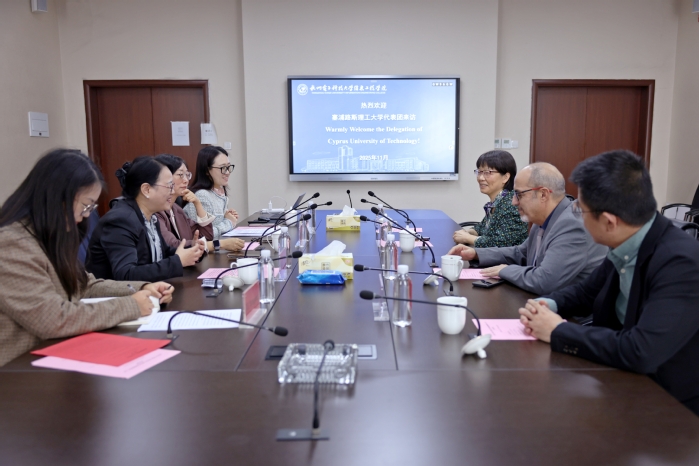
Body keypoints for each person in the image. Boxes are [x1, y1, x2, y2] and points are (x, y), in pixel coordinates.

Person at [519, 150, 699, 415]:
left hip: (668, 404)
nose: (576, 215)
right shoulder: (627, 239)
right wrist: (548, 304)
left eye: (580, 209)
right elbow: (586, 292)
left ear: (609, 222)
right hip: (617, 378)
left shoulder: (680, 263)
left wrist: (558, 330)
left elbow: (641, 350)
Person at [0, 149, 174, 366]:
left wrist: (143, 288)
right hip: (17, 369)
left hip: (55, 355)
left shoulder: (50, 235)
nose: (86, 216)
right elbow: (52, 319)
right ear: (58, 198)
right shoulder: (11, 244)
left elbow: (85, 285)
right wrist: (130, 306)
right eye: (86, 206)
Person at [448, 162, 606, 295]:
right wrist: (476, 254)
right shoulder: (544, 217)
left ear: (543, 194)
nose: (514, 202)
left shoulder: (573, 225)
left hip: (572, 316)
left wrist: (505, 270)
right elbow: (522, 252)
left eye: (519, 195)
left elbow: (545, 281)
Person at [86, 157, 204, 282]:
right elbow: (126, 275)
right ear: (146, 189)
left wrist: (191, 250)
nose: (173, 191)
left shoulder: (151, 217)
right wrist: (178, 261)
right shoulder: (121, 221)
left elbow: (163, 253)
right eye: (169, 186)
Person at [153, 154, 244, 253]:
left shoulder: (177, 210)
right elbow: (174, 245)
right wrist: (219, 244)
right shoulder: (156, 211)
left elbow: (205, 237)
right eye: (180, 175)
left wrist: (198, 204)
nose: (186, 180)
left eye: (187, 175)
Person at [453, 150, 528, 248]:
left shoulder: (512, 204)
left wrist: (468, 238)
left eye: (487, 173)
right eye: (479, 172)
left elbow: (501, 243)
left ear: (505, 177)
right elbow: (482, 227)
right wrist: (468, 232)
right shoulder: (497, 201)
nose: (480, 178)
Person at [183, 146, 239, 239]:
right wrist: (229, 222)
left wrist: (228, 216)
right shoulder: (202, 195)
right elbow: (202, 236)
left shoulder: (218, 191)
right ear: (207, 171)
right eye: (223, 168)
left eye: (228, 167)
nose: (227, 172)